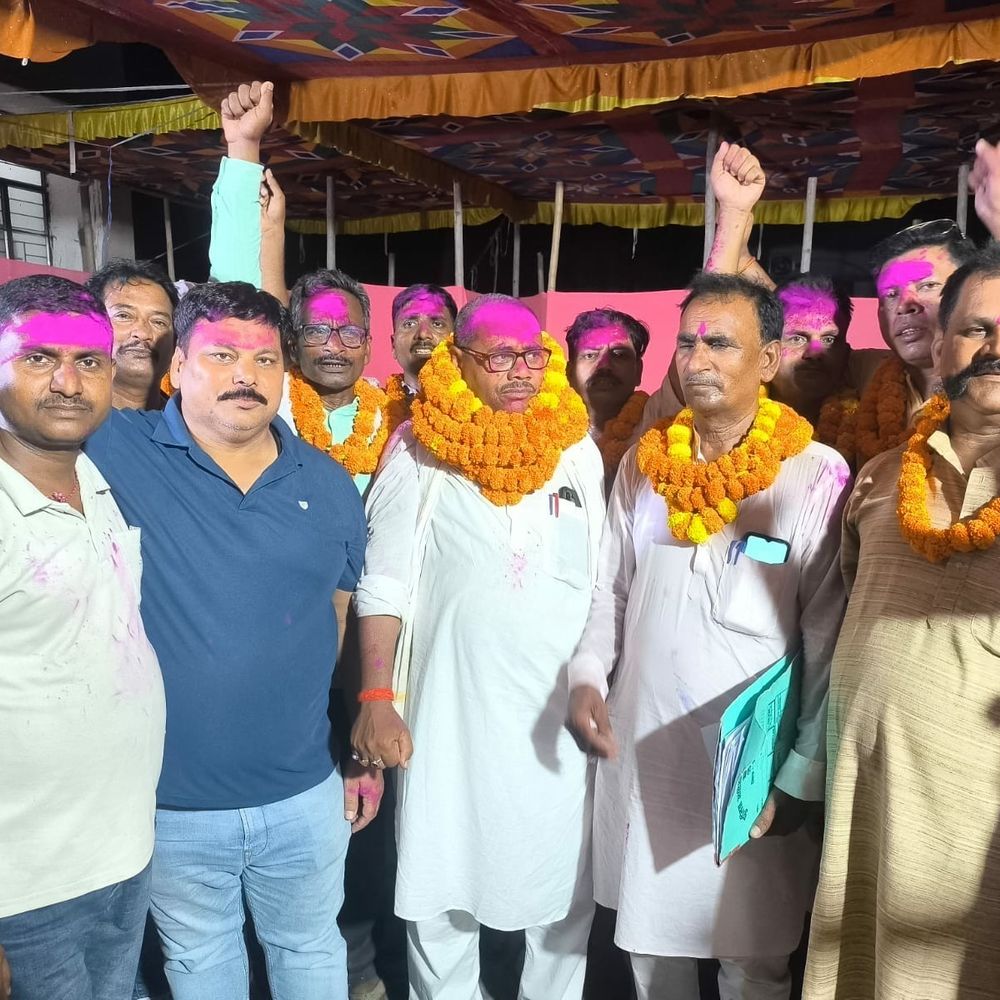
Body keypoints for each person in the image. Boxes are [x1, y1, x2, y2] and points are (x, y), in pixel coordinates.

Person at [82, 280, 374, 1000]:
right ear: (177, 365)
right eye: (222, 355)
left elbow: (341, 625)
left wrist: (359, 751)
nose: (246, 375)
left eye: (265, 359)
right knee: (200, 961)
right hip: (168, 802)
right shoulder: (113, 449)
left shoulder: (328, 484)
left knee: (310, 950)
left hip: (304, 792)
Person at [567, 272, 851, 1000]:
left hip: (747, 761)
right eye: (687, 342)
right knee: (650, 949)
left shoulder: (815, 474)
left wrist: (800, 774)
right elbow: (611, 590)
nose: (697, 359)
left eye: (720, 343)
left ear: (769, 359)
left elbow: (826, 636)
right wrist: (588, 676)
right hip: (645, 746)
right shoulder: (647, 462)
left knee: (753, 959)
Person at [350, 293, 604, 999]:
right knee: (440, 886)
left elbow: (601, 578)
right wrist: (377, 695)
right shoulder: (418, 446)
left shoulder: (577, 447)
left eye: (533, 355)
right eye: (499, 357)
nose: (520, 371)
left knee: (561, 895)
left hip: (555, 721)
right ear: (458, 360)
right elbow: (383, 583)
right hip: (449, 716)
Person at [804, 244, 1000, 998]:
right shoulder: (882, 477)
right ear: (941, 346)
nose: (994, 348)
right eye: (977, 329)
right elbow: (854, 604)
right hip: (867, 801)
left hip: (978, 823)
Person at [0, 275, 165, 1000]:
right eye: (39, 358)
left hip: (120, 855)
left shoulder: (91, 477)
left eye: (89, 361)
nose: (68, 383)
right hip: (25, 890)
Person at [565, 307, 650, 486]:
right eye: (590, 355)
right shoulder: (546, 435)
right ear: (569, 373)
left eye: (619, 355)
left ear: (639, 371)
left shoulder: (657, 426)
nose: (604, 365)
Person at [86, 258, 178, 411]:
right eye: (124, 316)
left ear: (175, 346)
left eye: (158, 322)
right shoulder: (59, 420)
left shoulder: (190, 423)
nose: (142, 333)